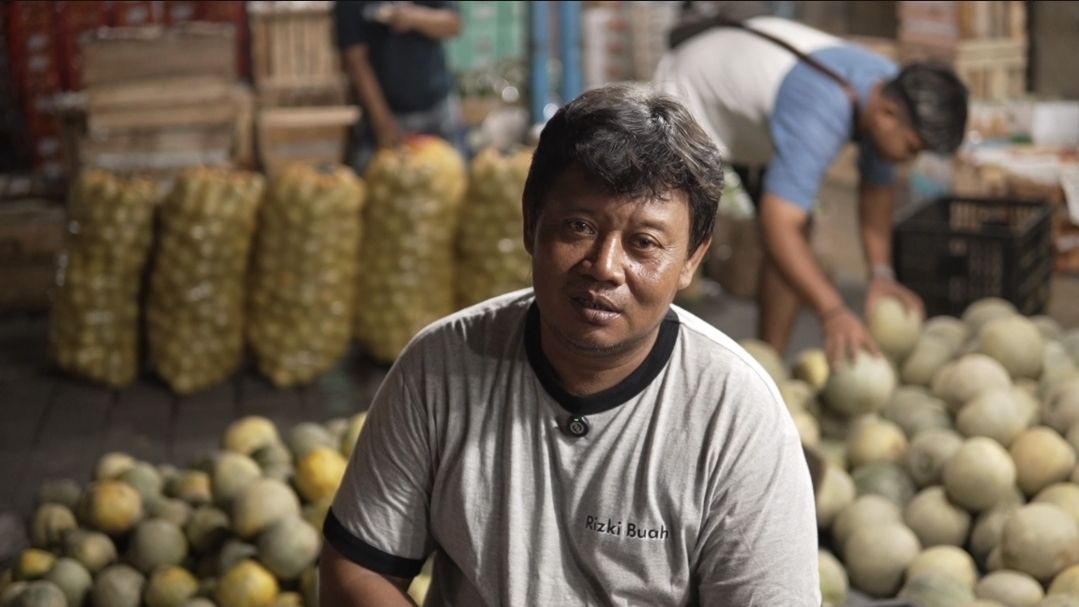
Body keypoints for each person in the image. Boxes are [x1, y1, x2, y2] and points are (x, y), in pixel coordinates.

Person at [319, 84, 820, 605]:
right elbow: (356, 568)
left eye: (644, 243)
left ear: (692, 259)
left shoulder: (737, 416)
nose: (604, 267)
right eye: (579, 226)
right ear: (531, 221)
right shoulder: (438, 367)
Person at [655, 14, 969, 365]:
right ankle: (648, 356)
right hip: (693, 90)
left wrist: (881, 275)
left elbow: (878, 191)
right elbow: (779, 224)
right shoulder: (822, 107)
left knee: (795, 234)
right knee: (668, 231)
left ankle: (767, 364)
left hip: (757, 111)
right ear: (889, 114)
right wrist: (833, 310)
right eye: (912, 148)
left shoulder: (887, 94)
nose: (910, 161)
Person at [333, 1, 463, 173]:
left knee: (452, 181)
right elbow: (355, 60)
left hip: (438, 110)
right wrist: (382, 121)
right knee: (376, 185)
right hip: (382, 115)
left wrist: (415, 17)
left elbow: (454, 24)